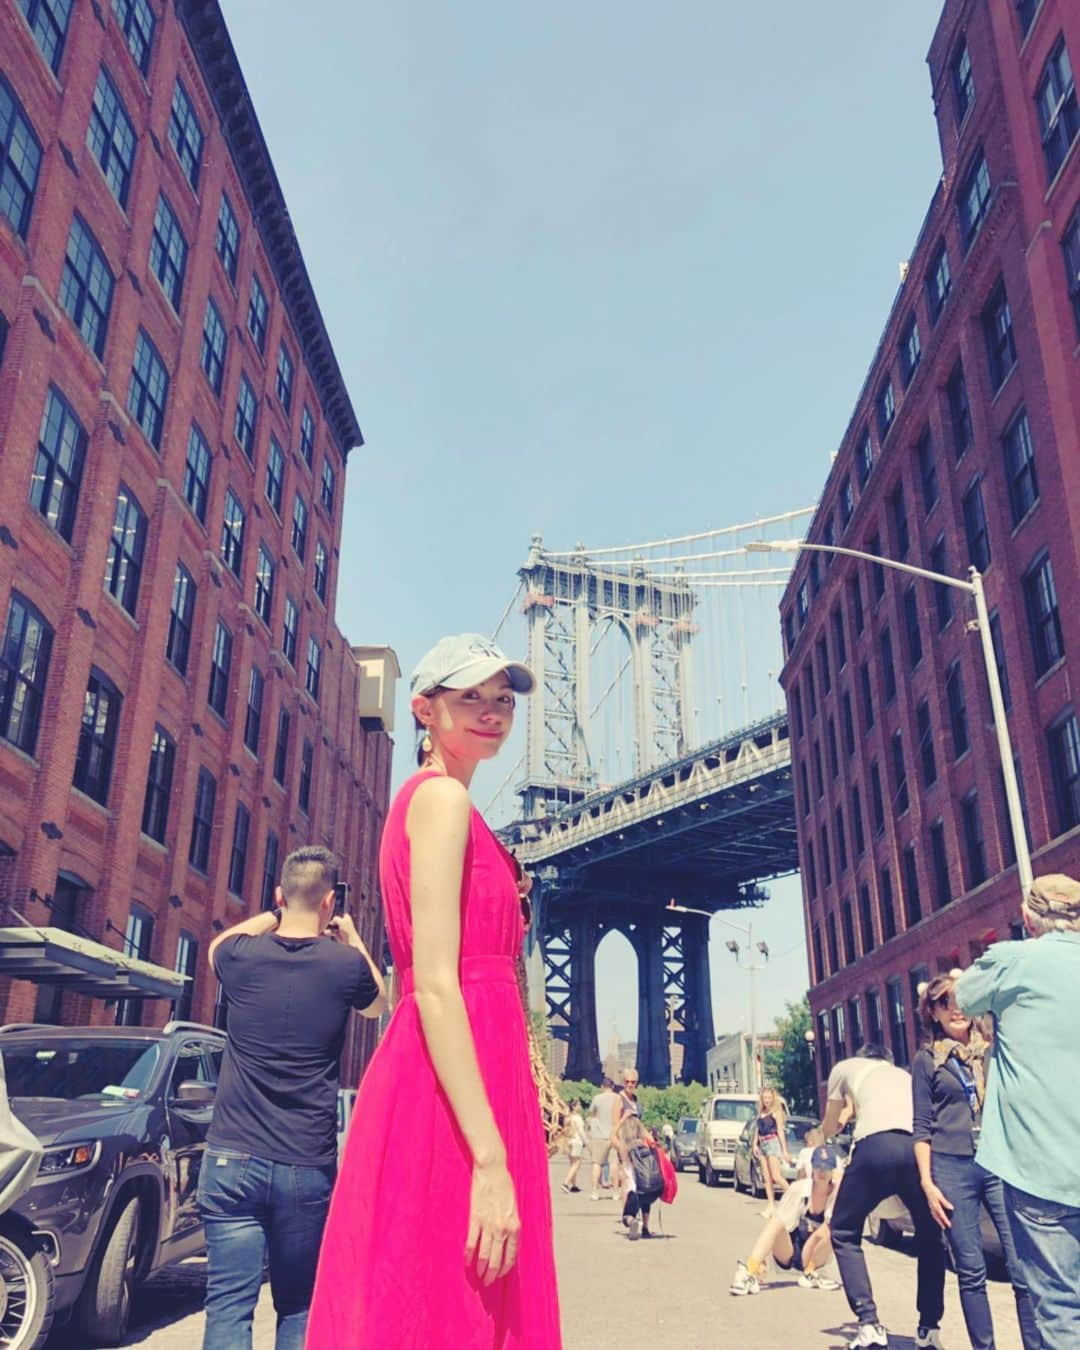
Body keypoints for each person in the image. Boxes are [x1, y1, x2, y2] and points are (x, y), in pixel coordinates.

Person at [306, 635, 562, 1348]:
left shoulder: (437, 803)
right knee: (451, 1305)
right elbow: (440, 985)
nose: (491, 712)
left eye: (503, 700)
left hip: (465, 1070)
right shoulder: (443, 799)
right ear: (424, 709)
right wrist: (489, 1158)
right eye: (469, 697)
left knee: (437, 1300)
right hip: (455, 1083)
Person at [198, 845, 386, 1350]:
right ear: (330, 903)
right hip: (305, 1163)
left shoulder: (239, 957)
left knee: (227, 1311)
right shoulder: (345, 965)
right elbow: (380, 1004)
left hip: (230, 1158)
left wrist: (276, 911)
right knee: (299, 1308)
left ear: (280, 896)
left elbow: (218, 943)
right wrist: (352, 938)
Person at [955, 873, 1080, 1348]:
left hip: (1039, 1168)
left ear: (1028, 917)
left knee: (1062, 1309)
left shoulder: (1012, 962)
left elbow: (964, 998)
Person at [913, 974, 1040, 1350]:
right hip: (952, 1169)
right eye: (943, 1002)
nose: (954, 1008)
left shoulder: (993, 1049)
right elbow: (921, 1128)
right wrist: (927, 1183)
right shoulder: (926, 1061)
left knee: (1021, 1267)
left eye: (959, 998)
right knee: (971, 1271)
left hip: (999, 1162)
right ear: (932, 1013)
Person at [821, 1044, 946, 1350]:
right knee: (931, 1235)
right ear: (888, 1061)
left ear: (863, 1057)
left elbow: (828, 1126)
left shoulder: (844, 1067)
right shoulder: (904, 1075)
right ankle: (928, 1329)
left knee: (844, 1230)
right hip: (916, 1149)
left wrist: (838, 1126)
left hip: (875, 1146)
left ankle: (869, 1323)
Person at [730, 1144, 843, 1295]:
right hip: (789, 1251)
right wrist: (763, 1259)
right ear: (812, 1168)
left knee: (833, 1227)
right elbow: (777, 1224)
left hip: (814, 1256)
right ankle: (750, 1271)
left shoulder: (838, 1195)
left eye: (827, 1168)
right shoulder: (798, 1189)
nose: (822, 1172)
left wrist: (840, 1186)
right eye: (818, 1167)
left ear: (833, 1171)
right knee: (776, 1221)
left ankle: (811, 1273)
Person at [618, 1115, 664, 1240]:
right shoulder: (645, 1144)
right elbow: (654, 1143)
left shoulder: (625, 1147)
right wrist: (640, 1126)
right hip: (649, 1187)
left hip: (633, 1189)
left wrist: (621, 1121)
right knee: (646, 1204)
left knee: (627, 1215)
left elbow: (612, 1136)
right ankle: (645, 1228)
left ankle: (633, 1222)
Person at [753, 1084, 791, 1216]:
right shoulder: (761, 1113)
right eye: (764, 1098)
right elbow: (757, 1129)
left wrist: (784, 1151)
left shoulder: (776, 1113)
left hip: (772, 1142)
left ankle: (794, 1197)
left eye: (769, 1097)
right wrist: (754, 1144)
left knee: (776, 1176)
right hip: (762, 1143)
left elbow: (780, 1131)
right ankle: (770, 1206)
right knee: (767, 1178)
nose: (767, 1100)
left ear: (773, 1098)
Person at [588, 1076, 619, 1201]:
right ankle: (616, 1192)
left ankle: (595, 1192)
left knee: (597, 1164)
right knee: (614, 1164)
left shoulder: (597, 1098)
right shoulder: (617, 1098)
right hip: (613, 1135)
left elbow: (591, 1113)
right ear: (612, 1087)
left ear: (602, 1086)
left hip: (599, 1135)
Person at [561, 1100, 587, 1193]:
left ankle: (574, 1185)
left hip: (569, 1141)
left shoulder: (568, 1117)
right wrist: (586, 1142)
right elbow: (581, 1132)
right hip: (576, 1141)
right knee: (577, 1163)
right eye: (579, 1105)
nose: (580, 1106)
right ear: (574, 1106)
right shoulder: (578, 1118)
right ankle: (566, 1183)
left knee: (572, 1163)